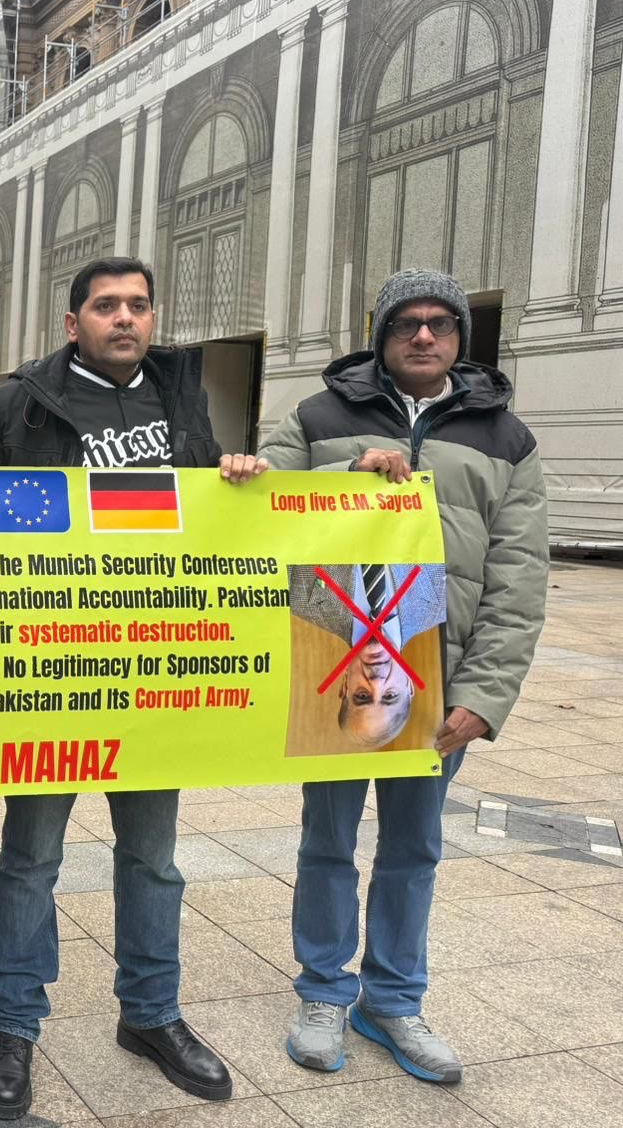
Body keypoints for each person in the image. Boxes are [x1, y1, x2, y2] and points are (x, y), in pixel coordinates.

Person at [0, 257, 264, 1119]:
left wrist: (234, 482)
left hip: (152, 673)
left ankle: (152, 1015)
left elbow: (205, 516)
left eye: (137, 306)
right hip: (51, 670)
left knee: (152, 859)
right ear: (72, 323)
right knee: (31, 858)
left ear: (152, 318)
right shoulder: (17, 403)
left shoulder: (181, 395)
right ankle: (14, 1024)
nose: (123, 318)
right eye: (105, 307)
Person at [261, 268, 548, 1083]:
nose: (424, 336)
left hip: (438, 683)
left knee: (413, 848)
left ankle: (391, 1001)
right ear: (381, 336)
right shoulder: (320, 416)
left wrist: (483, 700)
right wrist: (335, 482)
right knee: (327, 841)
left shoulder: (507, 439)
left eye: (441, 323)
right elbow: (255, 503)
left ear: (460, 336)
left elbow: (518, 580)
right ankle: (322, 991)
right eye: (407, 323)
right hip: (341, 670)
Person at [287, 563, 448, 749]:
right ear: (409, 684)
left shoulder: (296, 595)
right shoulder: (444, 597)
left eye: (362, 695)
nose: (377, 681)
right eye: (390, 695)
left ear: (346, 684)